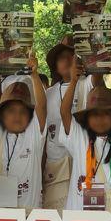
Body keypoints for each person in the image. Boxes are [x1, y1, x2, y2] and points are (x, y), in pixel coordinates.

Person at [59, 58, 111, 213]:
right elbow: (64, 112)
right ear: (87, 119)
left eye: (105, 114)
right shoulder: (80, 138)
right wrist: (73, 82)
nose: (100, 119)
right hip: (80, 217)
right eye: (94, 114)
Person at [0, 53, 48, 209]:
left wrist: (34, 75)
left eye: (23, 111)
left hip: (28, 218)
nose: (17, 116)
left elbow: (42, 107)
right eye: (11, 111)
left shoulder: (33, 135)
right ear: (2, 114)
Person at [42, 40, 95, 210]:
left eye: (72, 56)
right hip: (55, 165)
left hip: (83, 162)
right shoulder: (48, 93)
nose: (68, 60)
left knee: (81, 214)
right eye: (62, 58)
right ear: (55, 67)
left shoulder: (87, 84)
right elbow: (43, 136)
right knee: (55, 218)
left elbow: (98, 77)